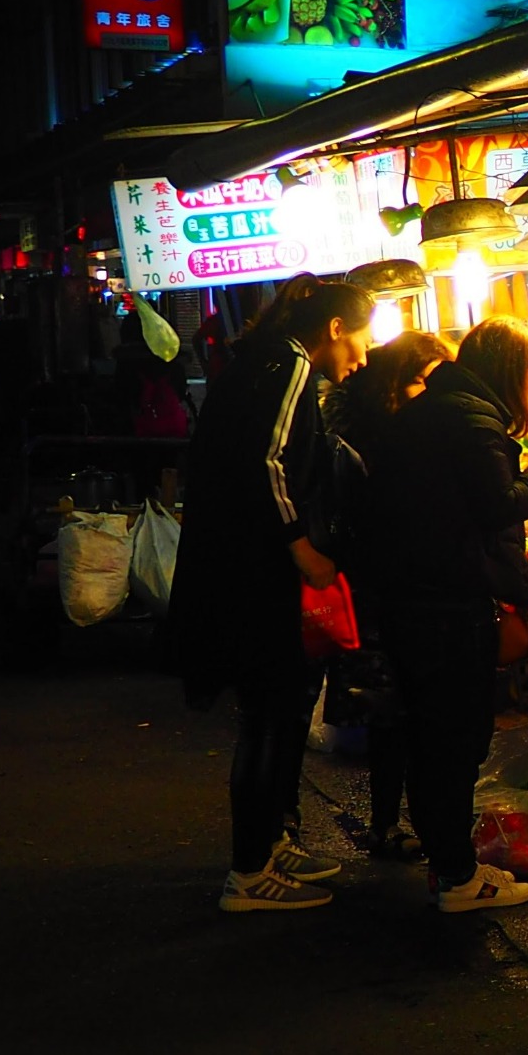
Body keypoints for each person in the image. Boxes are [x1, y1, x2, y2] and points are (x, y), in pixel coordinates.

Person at [168, 274, 373, 913]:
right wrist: (300, 545)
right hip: (252, 572)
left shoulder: (263, 359)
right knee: (267, 714)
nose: (361, 359)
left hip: (234, 565)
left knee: (275, 712)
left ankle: (272, 844)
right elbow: (268, 461)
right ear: (334, 328)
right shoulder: (290, 362)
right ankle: (250, 872)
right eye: (359, 342)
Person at [361, 319, 528, 912]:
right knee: (453, 739)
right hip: (446, 605)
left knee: (438, 738)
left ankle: (453, 867)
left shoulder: (441, 409)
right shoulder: (471, 418)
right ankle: (456, 877)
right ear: (510, 373)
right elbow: (495, 506)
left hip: (418, 598)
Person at [333, 331, 455, 864]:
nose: (429, 393)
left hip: (395, 585)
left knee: (406, 712)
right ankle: (392, 824)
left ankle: (409, 823)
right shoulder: (374, 440)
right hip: (380, 590)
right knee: (391, 711)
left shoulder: (394, 432)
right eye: (420, 382)